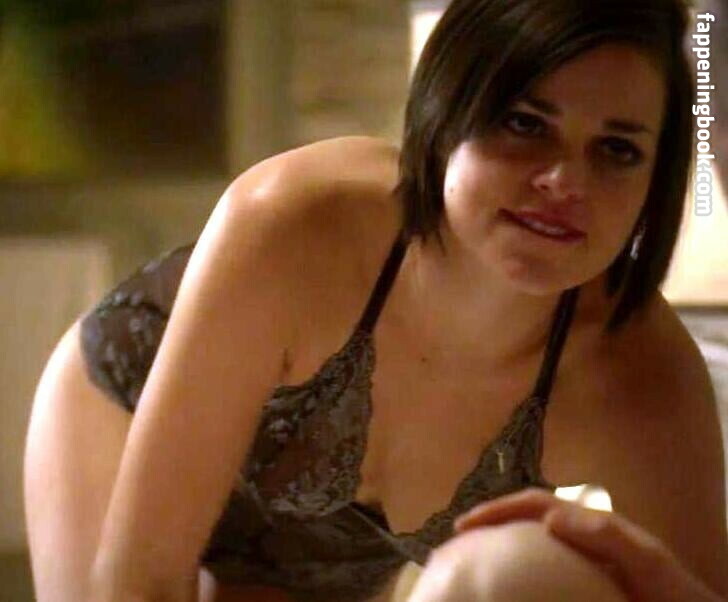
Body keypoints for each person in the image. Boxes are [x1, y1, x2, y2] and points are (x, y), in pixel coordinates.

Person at [23, 0, 728, 601]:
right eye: (525, 123)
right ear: (447, 106)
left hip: (331, 561)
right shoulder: (294, 219)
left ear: (658, 181)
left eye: (617, 150)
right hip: (125, 404)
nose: (564, 180)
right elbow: (141, 578)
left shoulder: (643, 377)